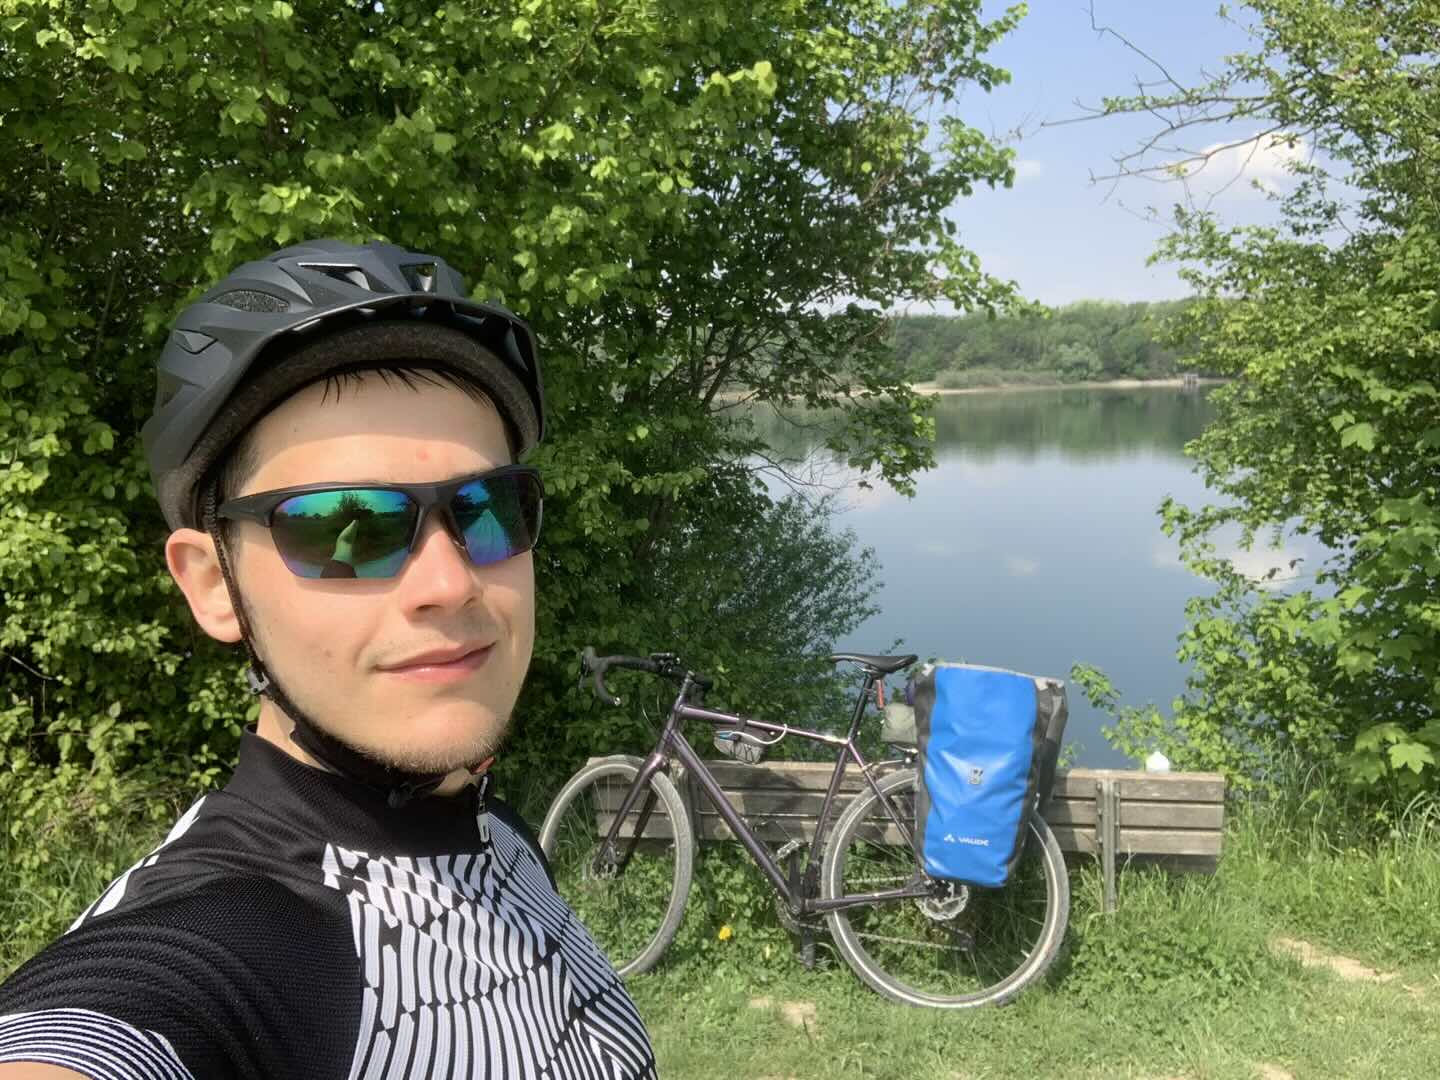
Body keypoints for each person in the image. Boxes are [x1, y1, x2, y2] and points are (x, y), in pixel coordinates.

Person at [0, 240, 658, 1079]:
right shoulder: (235, 934)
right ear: (213, 586)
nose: (450, 582)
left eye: (487, 508)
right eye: (347, 527)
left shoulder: (497, 835)